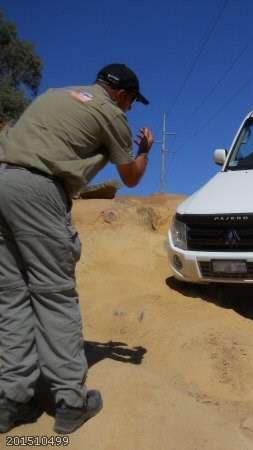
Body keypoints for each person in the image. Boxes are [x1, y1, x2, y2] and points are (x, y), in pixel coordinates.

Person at [0, 63, 154, 434]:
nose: (130, 109)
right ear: (121, 94)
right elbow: (129, 176)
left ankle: (10, 400)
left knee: (11, 296)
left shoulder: (55, 94)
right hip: (41, 192)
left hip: (3, 182)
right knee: (55, 295)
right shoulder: (110, 113)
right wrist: (145, 150)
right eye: (131, 101)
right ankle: (71, 400)